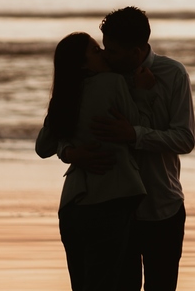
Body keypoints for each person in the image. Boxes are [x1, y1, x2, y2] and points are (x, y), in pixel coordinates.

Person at [92, 7, 195, 291]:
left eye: (112, 50)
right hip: (117, 207)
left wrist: (134, 135)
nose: (106, 55)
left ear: (136, 51)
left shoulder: (172, 74)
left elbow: (184, 139)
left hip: (162, 205)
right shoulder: (104, 76)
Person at [36, 32, 148, 291]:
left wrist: (68, 151)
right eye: (96, 51)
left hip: (72, 206)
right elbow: (138, 127)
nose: (104, 55)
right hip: (111, 201)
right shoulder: (113, 82)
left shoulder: (63, 97)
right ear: (83, 63)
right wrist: (141, 94)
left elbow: (43, 147)